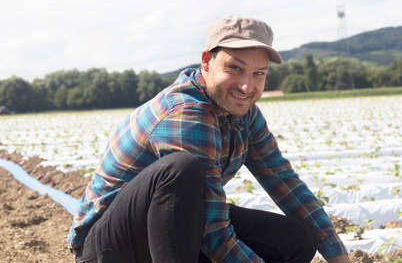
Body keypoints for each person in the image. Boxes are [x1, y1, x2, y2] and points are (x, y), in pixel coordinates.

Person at [68, 16, 350, 263]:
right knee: (181, 169)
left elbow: (285, 183)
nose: (246, 86)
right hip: (108, 249)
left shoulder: (246, 115)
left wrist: (339, 257)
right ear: (206, 62)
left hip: (172, 236)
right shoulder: (185, 114)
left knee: (297, 238)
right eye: (235, 68)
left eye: (258, 74)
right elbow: (213, 231)